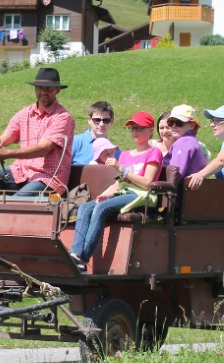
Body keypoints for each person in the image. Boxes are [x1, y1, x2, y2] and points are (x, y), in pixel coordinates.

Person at [69, 112, 163, 271]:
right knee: (86, 207)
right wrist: (105, 194)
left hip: (140, 195)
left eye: (140, 128)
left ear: (150, 131)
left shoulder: (153, 153)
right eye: (133, 128)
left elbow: (147, 183)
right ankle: (75, 254)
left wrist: (121, 168)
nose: (135, 132)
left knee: (101, 208)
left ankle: (83, 260)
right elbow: (119, 184)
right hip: (124, 192)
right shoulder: (126, 155)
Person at [0, 67, 76, 196]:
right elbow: (3, 139)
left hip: (48, 178)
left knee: (17, 200)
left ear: (57, 90)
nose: (43, 92)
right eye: (39, 87)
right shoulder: (24, 113)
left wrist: (8, 153)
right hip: (21, 171)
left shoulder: (62, 117)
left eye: (48, 88)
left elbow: (43, 148)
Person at [161, 104, 208, 179]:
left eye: (179, 122)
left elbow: (175, 176)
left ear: (192, 126)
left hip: (182, 189)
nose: (174, 126)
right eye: (171, 122)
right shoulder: (191, 141)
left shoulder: (184, 142)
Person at [71, 101, 120, 166]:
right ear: (89, 120)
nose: (101, 124)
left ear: (112, 121)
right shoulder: (75, 142)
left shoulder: (115, 151)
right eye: (97, 120)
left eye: (106, 120)